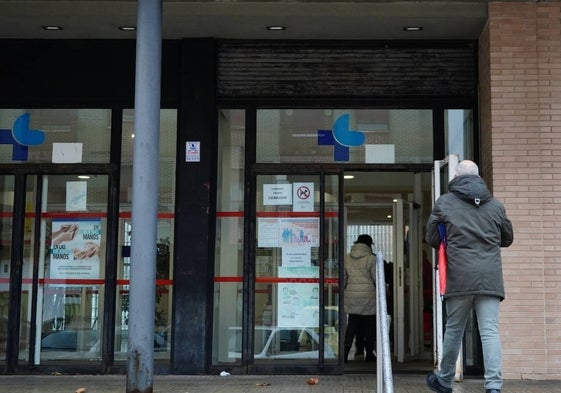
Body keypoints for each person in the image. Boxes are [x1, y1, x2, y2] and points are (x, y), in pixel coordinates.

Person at [424, 160, 513, 393]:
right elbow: (507, 238)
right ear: (478, 176)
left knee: (454, 329)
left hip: (459, 275)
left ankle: (444, 381)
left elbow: (432, 237)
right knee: (490, 331)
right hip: (489, 277)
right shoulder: (495, 206)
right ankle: (493, 386)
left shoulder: (444, 202)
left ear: (455, 176)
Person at [344, 234, 378, 362]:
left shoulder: (347, 258)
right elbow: (376, 278)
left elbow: (343, 278)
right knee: (369, 325)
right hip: (368, 295)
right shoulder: (371, 259)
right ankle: (369, 353)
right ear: (369, 245)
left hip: (352, 295)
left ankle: (345, 353)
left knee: (352, 324)